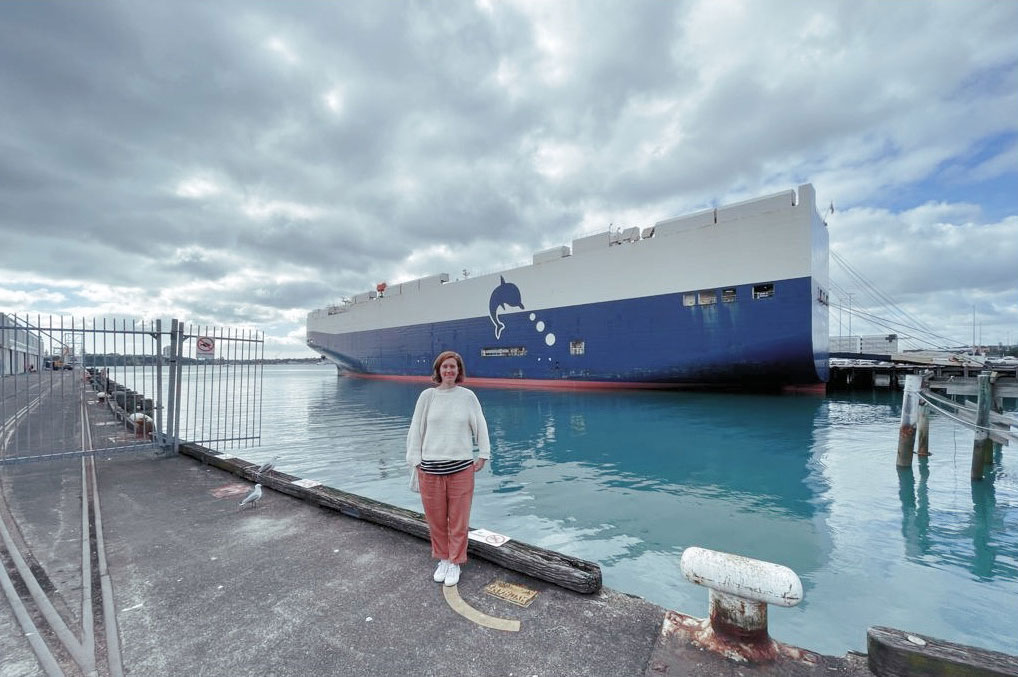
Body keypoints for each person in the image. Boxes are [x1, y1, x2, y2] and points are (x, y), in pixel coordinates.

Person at [406, 350, 490, 587]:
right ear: (438, 370)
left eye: (453, 367)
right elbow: (416, 429)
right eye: (445, 367)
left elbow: (480, 425)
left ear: (459, 370)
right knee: (436, 519)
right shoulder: (427, 396)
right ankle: (443, 558)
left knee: (459, 520)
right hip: (430, 469)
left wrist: (483, 454)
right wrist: (415, 460)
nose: (449, 371)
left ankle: (455, 562)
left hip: (462, 468)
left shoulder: (468, 397)